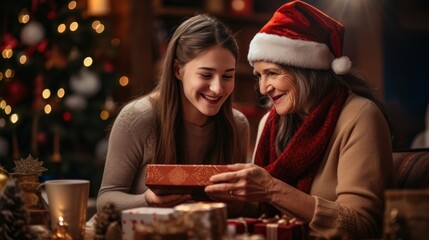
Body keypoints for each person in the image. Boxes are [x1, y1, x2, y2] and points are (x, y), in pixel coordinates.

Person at [205, 1, 393, 239]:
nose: (263, 88)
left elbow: (360, 225)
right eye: (259, 76)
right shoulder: (270, 123)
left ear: (306, 70)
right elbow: (262, 211)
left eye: (272, 73)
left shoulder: (361, 117)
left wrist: (270, 188)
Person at [96, 14, 250, 212]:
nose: (218, 88)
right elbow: (105, 201)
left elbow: (246, 209)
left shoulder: (238, 125)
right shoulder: (137, 118)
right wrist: (147, 200)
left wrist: (241, 200)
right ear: (178, 69)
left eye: (228, 76)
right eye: (206, 75)